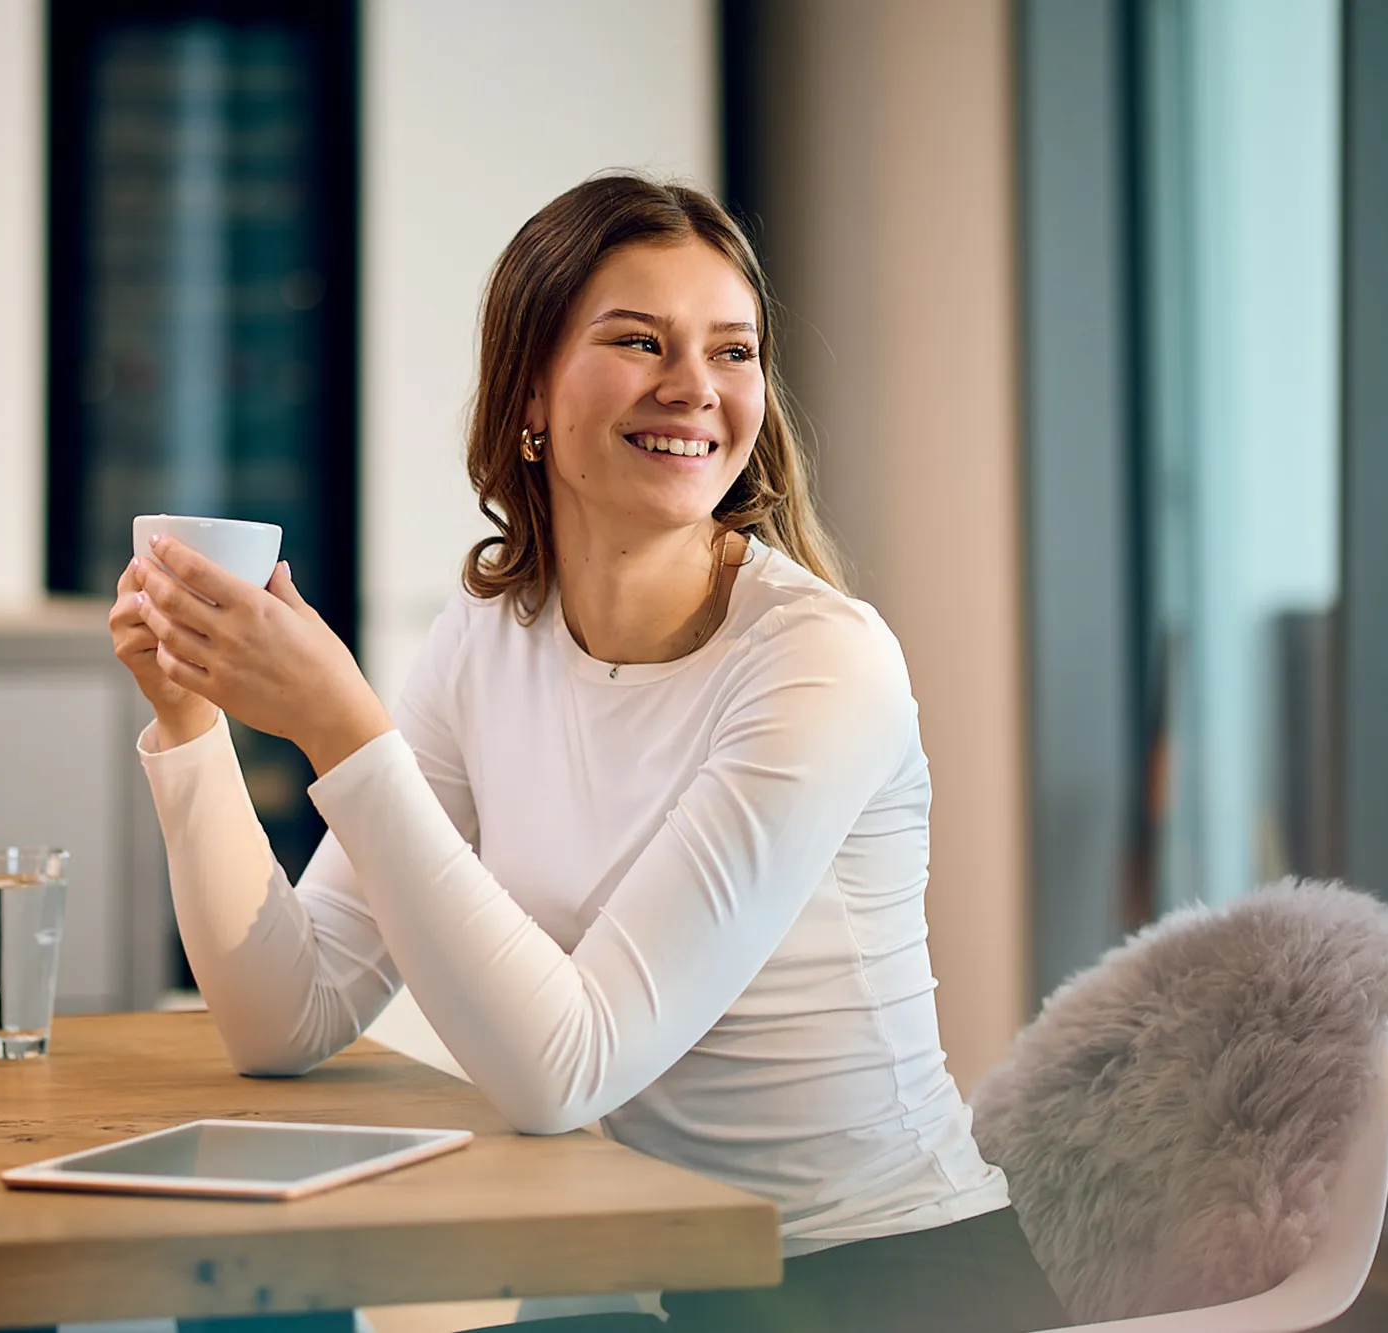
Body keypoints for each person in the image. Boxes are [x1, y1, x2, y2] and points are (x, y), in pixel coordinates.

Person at [106, 173, 1068, 1333]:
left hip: (881, 1281)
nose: (695, 389)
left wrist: (340, 730)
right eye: (637, 340)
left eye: (732, 351)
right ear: (528, 389)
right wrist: (189, 720)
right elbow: (285, 1016)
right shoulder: (487, 638)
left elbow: (566, 1067)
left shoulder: (820, 663)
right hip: (669, 1272)